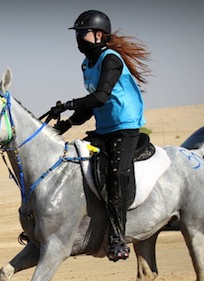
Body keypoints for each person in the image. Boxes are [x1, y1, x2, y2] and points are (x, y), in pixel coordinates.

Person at [46, 10, 151, 261]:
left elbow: (101, 96)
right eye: (78, 34)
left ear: (99, 35)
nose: (79, 38)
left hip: (124, 128)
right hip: (103, 129)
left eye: (83, 33)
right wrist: (67, 124)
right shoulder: (86, 64)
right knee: (75, 164)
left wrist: (70, 103)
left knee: (116, 175)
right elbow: (92, 106)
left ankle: (117, 239)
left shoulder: (110, 60)